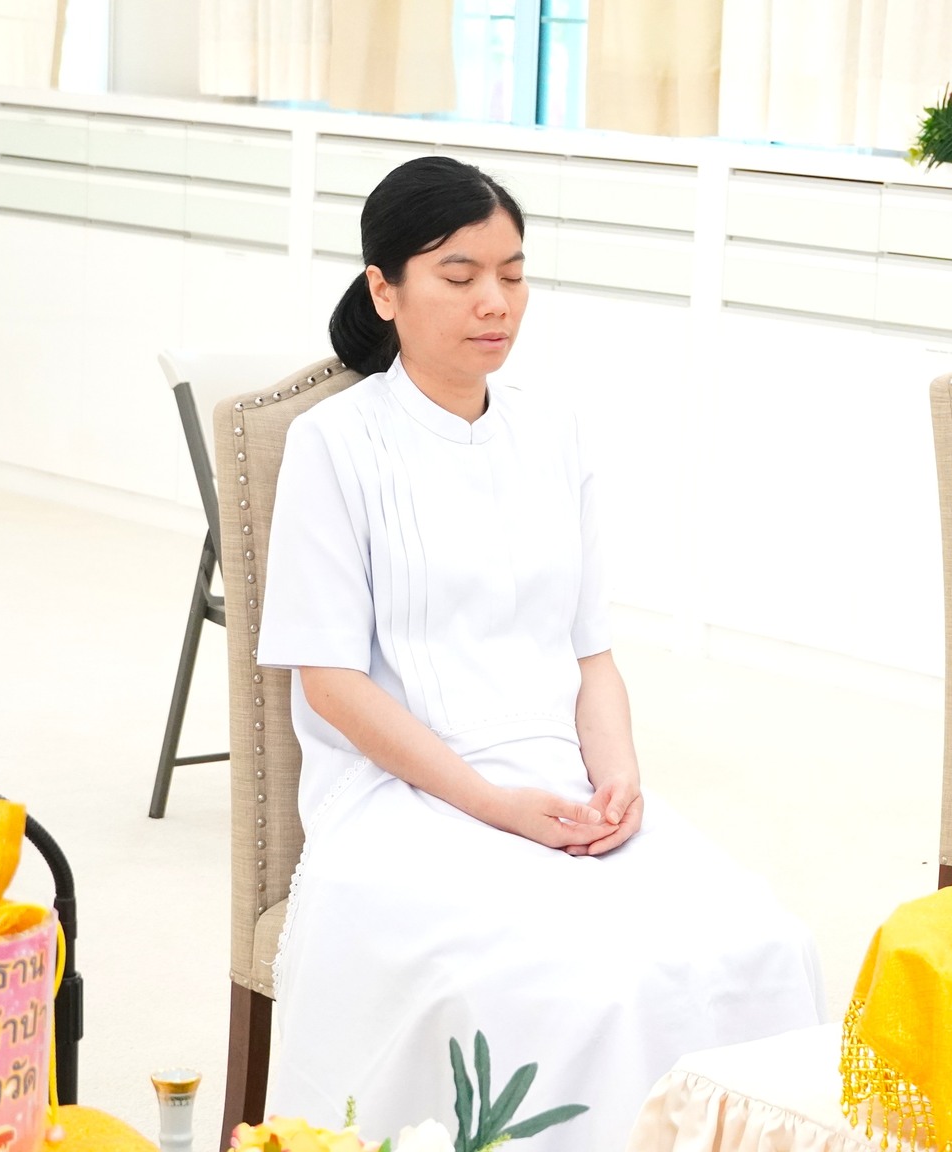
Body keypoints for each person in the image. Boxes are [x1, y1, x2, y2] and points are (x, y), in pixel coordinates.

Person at [258, 156, 823, 1149]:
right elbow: (331, 683)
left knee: (762, 945)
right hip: (401, 801)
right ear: (383, 289)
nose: (495, 302)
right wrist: (492, 807)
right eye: (458, 274)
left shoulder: (554, 432)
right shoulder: (335, 444)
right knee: (585, 983)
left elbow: (588, 654)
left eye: (513, 275)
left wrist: (619, 780)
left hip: (556, 783)